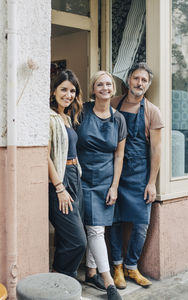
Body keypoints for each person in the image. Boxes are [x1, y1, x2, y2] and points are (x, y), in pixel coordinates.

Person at [109, 62, 164, 289]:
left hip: (140, 175)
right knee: (114, 221)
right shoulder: (113, 103)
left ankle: (132, 267)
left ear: (148, 85)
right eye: (136, 78)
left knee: (141, 223)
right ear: (128, 80)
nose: (139, 83)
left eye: (144, 80)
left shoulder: (152, 111)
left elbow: (156, 149)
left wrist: (152, 182)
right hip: (114, 173)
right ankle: (117, 267)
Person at [76, 71, 127, 300]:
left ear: (113, 89)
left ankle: (91, 272)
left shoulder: (119, 119)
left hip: (106, 181)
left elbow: (119, 156)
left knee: (97, 228)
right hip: (82, 178)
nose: (105, 87)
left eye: (108, 84)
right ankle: (109, 283)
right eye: (100, 84)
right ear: (93, 89)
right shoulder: (83, 111)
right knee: (95, 229)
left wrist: (114, 186)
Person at [48, 69, 87, 278]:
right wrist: (59, 187)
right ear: (54, 90)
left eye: (72, 91)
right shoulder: (49, 116)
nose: (68, 95)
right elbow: (45, 156)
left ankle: (65, 282)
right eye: (63, 89)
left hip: (74, 177)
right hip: (60, 180)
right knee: (77, 241)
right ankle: (58, 275)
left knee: (66, 238)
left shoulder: (67, 117)